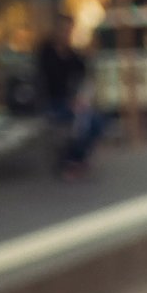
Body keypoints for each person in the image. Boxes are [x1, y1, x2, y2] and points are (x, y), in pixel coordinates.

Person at [35, 17, 104, 178]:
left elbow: (83, 70)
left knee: (95, 121)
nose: (66, 34)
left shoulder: (71, 54)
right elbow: (48, 83)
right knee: (81, 121)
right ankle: (71, 161)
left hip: (70, 102)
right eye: (64, 30)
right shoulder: (47, 52)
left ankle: (75, 158)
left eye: (69, 31)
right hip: (52, 103)